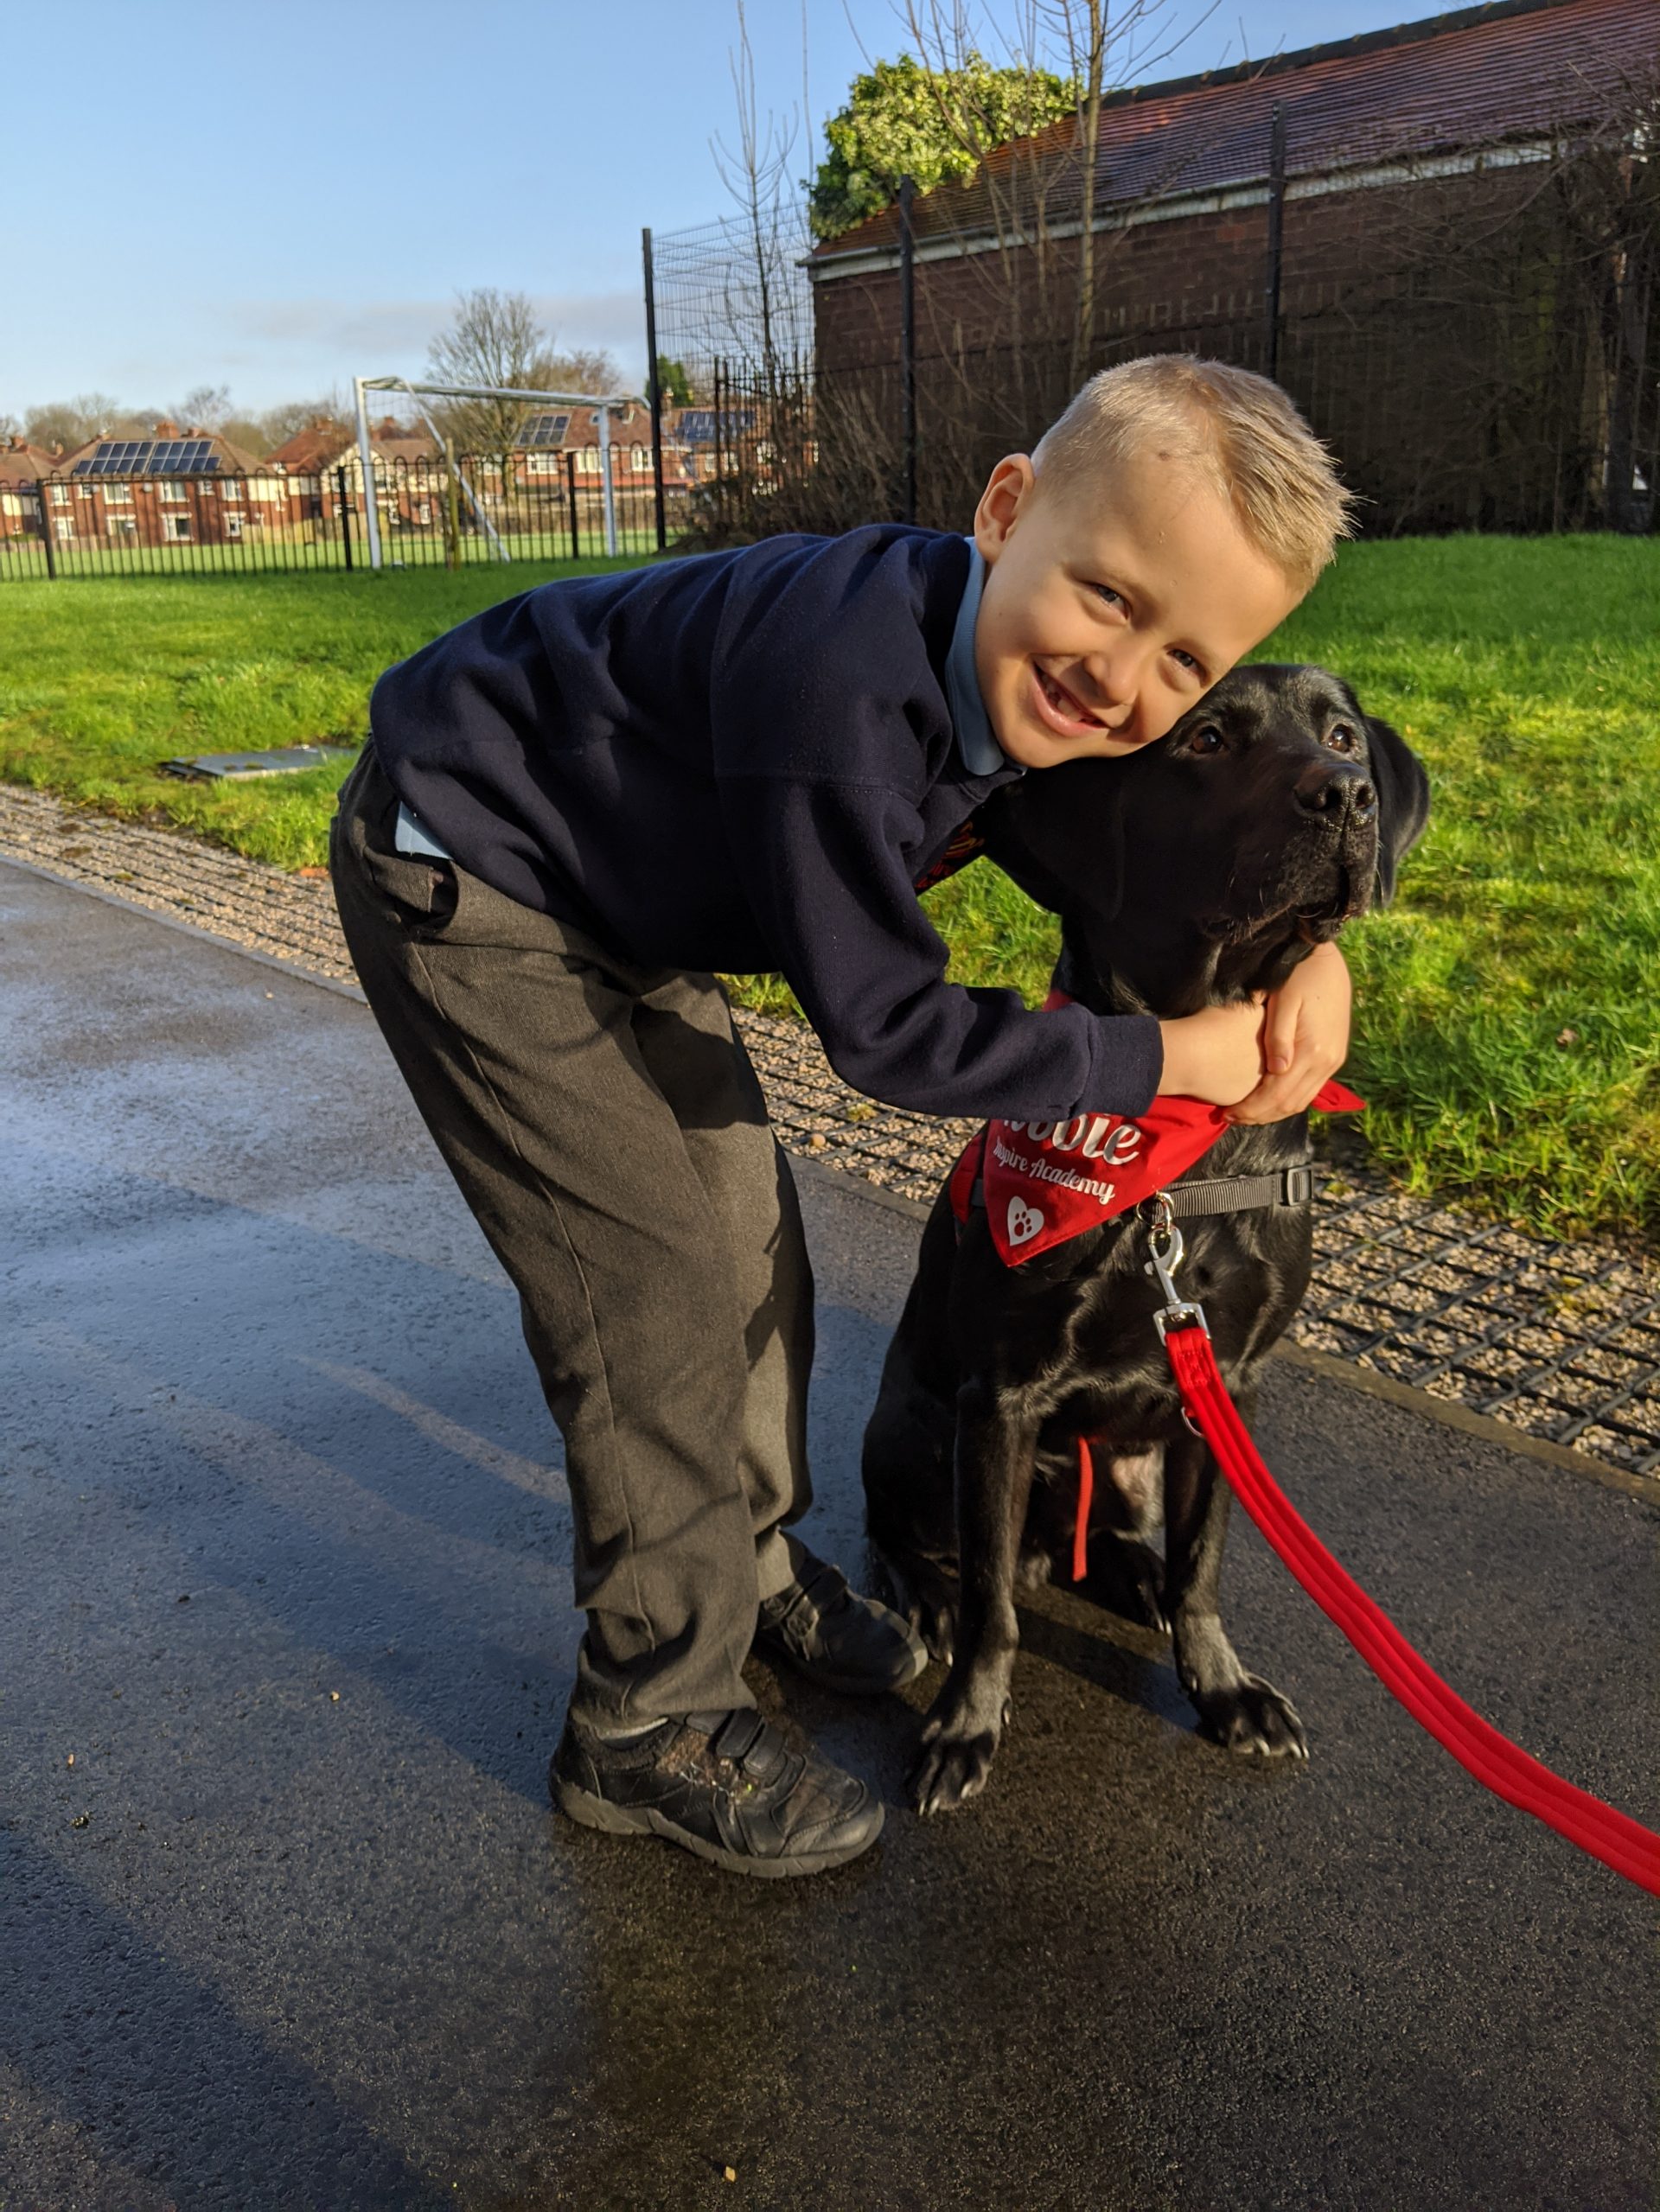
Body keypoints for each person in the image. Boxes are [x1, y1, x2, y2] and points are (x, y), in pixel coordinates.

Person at [329, 354, 1355, 1880]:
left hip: (620, 894)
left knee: (747, 1234)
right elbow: (889, 1034)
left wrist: (1316, 952)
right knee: (649, 1289)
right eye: (1111, 597)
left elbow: (1134, 856)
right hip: (473, 871)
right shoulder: (840, 693)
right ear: (1004, 510)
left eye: (1187, 663)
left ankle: (739, 1564)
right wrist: (1174, 1063)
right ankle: (647, 1711)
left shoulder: (1028, 680)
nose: (1124, 680)